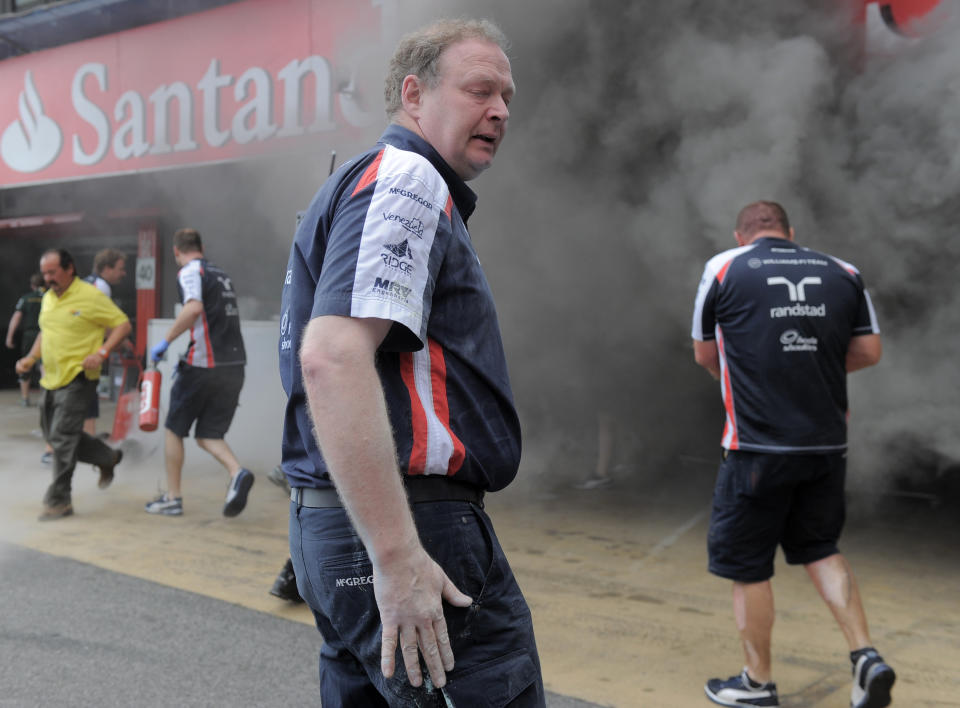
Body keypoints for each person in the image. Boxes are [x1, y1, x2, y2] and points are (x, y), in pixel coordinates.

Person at [278, 18, 543, 706]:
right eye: (479, 90)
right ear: (413, 94)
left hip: (333, 526)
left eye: (507, 97)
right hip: (416, 526)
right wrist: (396, 557)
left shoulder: (362, 181)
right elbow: (332, 359)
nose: (500, 111)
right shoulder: (408, 178)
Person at [691, 201, 894, 708]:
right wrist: (810, 370)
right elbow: (869, 351)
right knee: (822, 548)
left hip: (755, 448)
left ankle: (757, 684)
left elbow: (704, 353)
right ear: (791, 233)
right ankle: (865, 656)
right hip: (825, 446)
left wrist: (757, 375)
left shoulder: (724, 267)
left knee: (750, 566)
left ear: (742, 236)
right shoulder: (842, 271)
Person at [144, 228, 254, 518]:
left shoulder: (190, 272)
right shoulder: (221, 275)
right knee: (208, 434)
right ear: (201, 247)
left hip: (203, 365)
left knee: (174, 429)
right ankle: (238, 472)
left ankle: (173, 498)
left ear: (176, 252)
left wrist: (165, 341)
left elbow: (193, 308)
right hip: (235, 366)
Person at [15, 249, 130, 520]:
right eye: (44, 273)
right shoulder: (47, 298)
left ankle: (59, 501)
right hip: (51, 378)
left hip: (79, 377)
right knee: (52, 434)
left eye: (52, 272)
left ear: (69, 269)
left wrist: (102, 352)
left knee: (64, 438)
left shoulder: (90, 295)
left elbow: (122, 325)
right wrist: (31, 358)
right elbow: (47, 331)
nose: (48, 278)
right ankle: (107, 457)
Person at [82, 248, 129, 436]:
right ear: (106, 269)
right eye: (120, 269)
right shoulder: (101, 286)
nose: (123, 273)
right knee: (88, 400)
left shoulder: (85, 283)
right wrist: (122, 342)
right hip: (86, 351)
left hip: (72, 348)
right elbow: (106, 321)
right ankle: (90, 442)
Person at [6, 272, 44, 406]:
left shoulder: (26, 298)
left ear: (32, 285)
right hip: (46, 334)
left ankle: (25, 397)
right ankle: (45, 396)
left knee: (25, 364)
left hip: (30, 335)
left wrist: (9, 337)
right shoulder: (51, 297)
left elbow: (16, 318)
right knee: (44, 365)